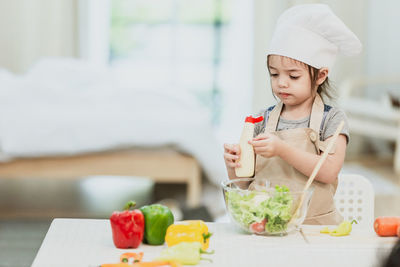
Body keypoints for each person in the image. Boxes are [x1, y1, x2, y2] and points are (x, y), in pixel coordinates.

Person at [223, 4, 362, 225]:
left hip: (316, 229)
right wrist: (233, 164)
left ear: (321, 75)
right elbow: (243, 183)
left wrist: (282, 149)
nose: (281, 83)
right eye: (274, 74)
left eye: (293, 76)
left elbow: (327, 172)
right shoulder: (263, 119)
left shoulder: (332, 120)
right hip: (266, 227)